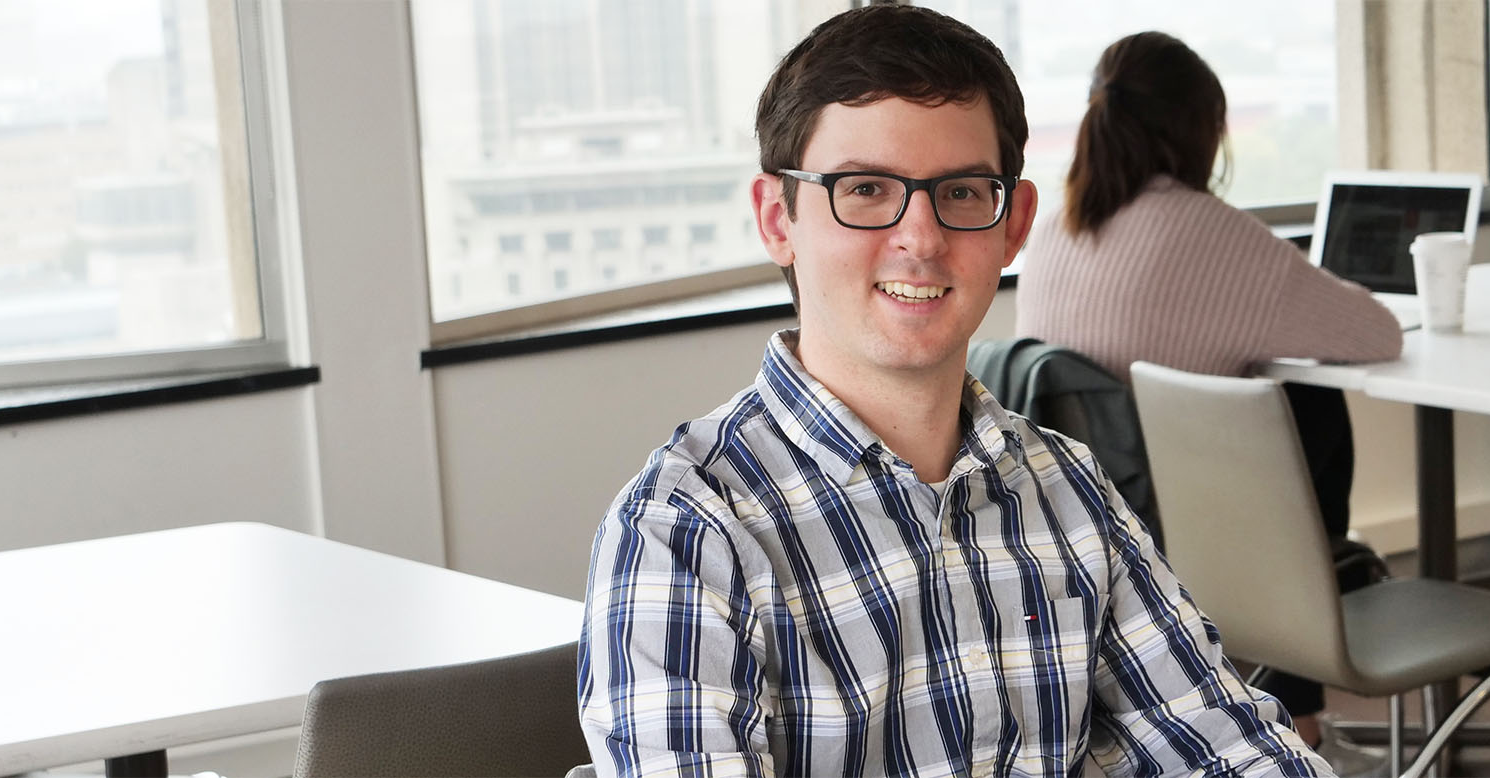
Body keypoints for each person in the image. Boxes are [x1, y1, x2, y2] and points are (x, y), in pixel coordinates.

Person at [577, 7, 1331, 777]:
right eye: (865, 188)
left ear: (1014, 225)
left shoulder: (1068, 489)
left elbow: (1228, 745)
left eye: (963, 193)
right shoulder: (685, 532)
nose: (923, 238)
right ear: (779, 219)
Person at [1013, 31, 1403, 769]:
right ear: (1200, 130)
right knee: (1312, 407)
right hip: (1177, 540)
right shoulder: (1215, 233)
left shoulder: (1056, 228)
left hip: (1065, 519)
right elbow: (1376, 331)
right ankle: (1299, 699)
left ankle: (1293, 709)